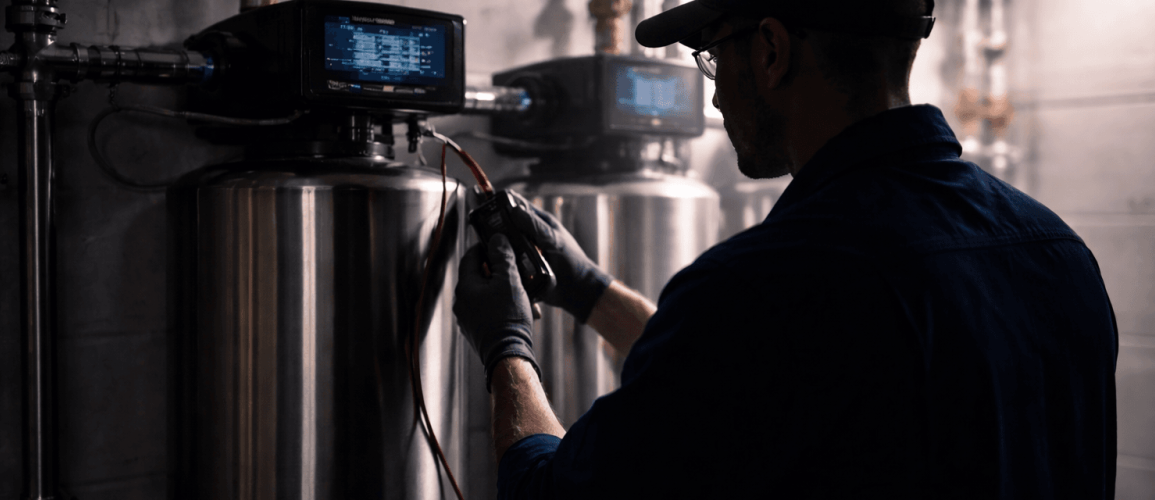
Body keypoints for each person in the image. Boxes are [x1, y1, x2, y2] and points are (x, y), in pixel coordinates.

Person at [453, 0, 1118, 498]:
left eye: (713, 52)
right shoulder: (1057, 253)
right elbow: (750, 381)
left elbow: (551, 493)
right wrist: (587, 288)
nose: (712, 89)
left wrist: (506, 344)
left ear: (771, 49)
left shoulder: (763, 287)